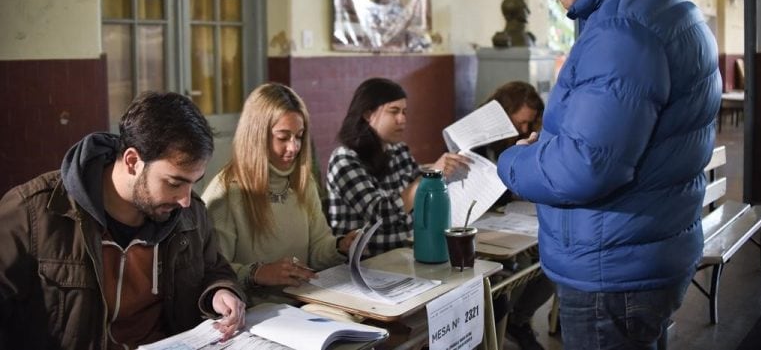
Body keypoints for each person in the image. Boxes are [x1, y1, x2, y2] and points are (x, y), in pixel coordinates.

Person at [496, 0, 721, 350]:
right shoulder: (661, 1)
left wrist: (511, 162)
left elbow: (586, 166)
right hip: (643, 253)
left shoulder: (623, 25)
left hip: (612, 272)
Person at [0, 92, 246, 350]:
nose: (185, 200)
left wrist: (219, 292)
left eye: (194, 182)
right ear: (132, 161)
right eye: (175, 182)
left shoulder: (190, 214)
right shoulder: (32, 214)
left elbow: (214, 269)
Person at [202, 83, 358, 306]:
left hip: (304, 306)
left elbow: (317, 249)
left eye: (299, 136)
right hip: (254, 318)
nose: (293, 147)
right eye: (283, 137)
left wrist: (340, 246)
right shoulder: (226, 192)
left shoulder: (303, 182)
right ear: (257, 136)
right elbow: (212, 273)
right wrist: (258, 273)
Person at [326, 77, 470, 256]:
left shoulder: (398, 150)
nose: (402, 119)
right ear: (367, 114)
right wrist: (431, 175)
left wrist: (447, 171)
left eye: (404, 112)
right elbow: (382, 216)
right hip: (368, 263)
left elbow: (419, 195)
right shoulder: (344, 160)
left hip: (407, 253)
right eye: (393, 111)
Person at [479, 81, 553, 350]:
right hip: (478, 224)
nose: (523, 130)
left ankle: (518, 320)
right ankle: (506, 324)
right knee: (517, 270)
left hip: (510, 220)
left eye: (529, 123)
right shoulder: (476, 140)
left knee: (551, 260)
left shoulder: (521, 140)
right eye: (519, 122)